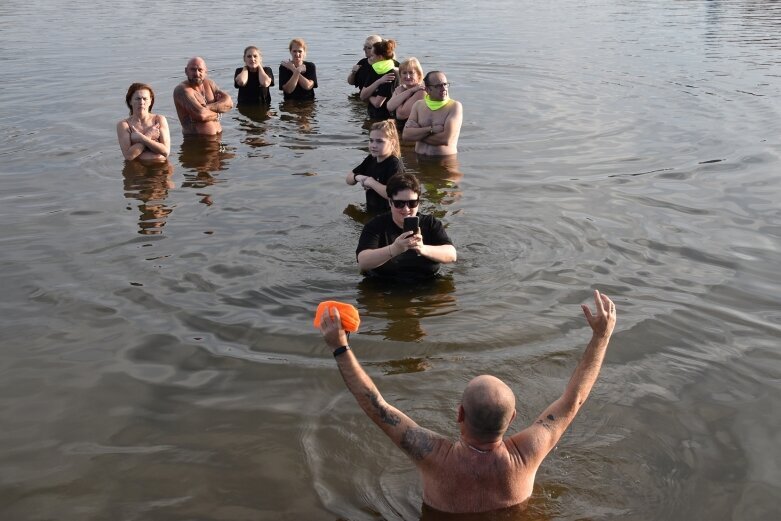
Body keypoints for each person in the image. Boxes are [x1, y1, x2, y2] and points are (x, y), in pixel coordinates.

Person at [319, 290, 618, 514]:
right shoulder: (528, 453)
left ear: (459, 414)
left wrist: (340, 347)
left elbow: (377, 406)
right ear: (513, 418)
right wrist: (601, 338)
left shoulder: (432, 456)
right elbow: (574, 400)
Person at [356, 173, 456, 279]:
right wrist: (395, 249)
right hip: (383, 284)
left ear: (419, 202)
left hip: (428, 281)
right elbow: (362, 262)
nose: (406, 209)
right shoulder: (376, 225)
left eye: (412, 203)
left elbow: (452, 255)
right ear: (390, 202)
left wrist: (422, 249)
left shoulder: (430, 223)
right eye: (399, 204)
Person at [346, 120, 404, 213]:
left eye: (379, 141)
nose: (373, 145)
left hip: (388, 215)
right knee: (348, 212)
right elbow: (348, 179)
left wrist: (371, 183)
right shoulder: (371, 159)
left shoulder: (394, 164)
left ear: (392, 143)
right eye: (371, 140)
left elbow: (394, 194)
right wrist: (358, 177)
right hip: (372, 210)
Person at [403, 71, 462, 156]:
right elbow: (406, 135)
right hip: (419, 159)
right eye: (438, 86)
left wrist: (417, 134)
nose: (443, 88)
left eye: (445, 84)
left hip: (445, 162)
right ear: (427, 89)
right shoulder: (418, 105)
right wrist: (430, 129)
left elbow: (445, 139)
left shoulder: (454, 106)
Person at [173, 57, 234, 136]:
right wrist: (219, 112)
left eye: (200, 70)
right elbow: (201, 115)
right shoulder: (182, 90)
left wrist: (207, 107)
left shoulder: (209, 84)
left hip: (219, 139)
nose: (197, 74)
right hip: (197, 141)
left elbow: (229, 103)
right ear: (186, 71)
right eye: (193, 69)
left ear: (206, 71)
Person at [117, 83, 171, 163]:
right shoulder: (124, 125)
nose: (141, 102)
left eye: (145, 99)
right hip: (138, 168)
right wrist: (149, 135)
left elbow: (165, 152)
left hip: (161, 167)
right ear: (130, 101)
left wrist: (141, 139)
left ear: (150, 101)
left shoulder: (159, 120)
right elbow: (129, 156)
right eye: (137, 99)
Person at [359, 39, 399, 121]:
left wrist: (368, 95)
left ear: (380, 57)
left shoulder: (391, 73)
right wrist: (379, 82)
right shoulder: (374, 69)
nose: (370, 57)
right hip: (372, 115)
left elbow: (378, 103)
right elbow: (362, 96)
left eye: (373, 55)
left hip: (386, 118)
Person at [386, 57, 426, 134]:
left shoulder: (421, 91)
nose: (407, 76)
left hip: (413, 135)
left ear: (418, 75)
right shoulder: (401, 89)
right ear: (400, 75)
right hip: (399, 132)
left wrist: (404, 93)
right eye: (404, 73)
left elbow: (401, 115)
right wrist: (407, 92)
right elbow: (389, 107)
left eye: (411, 73)